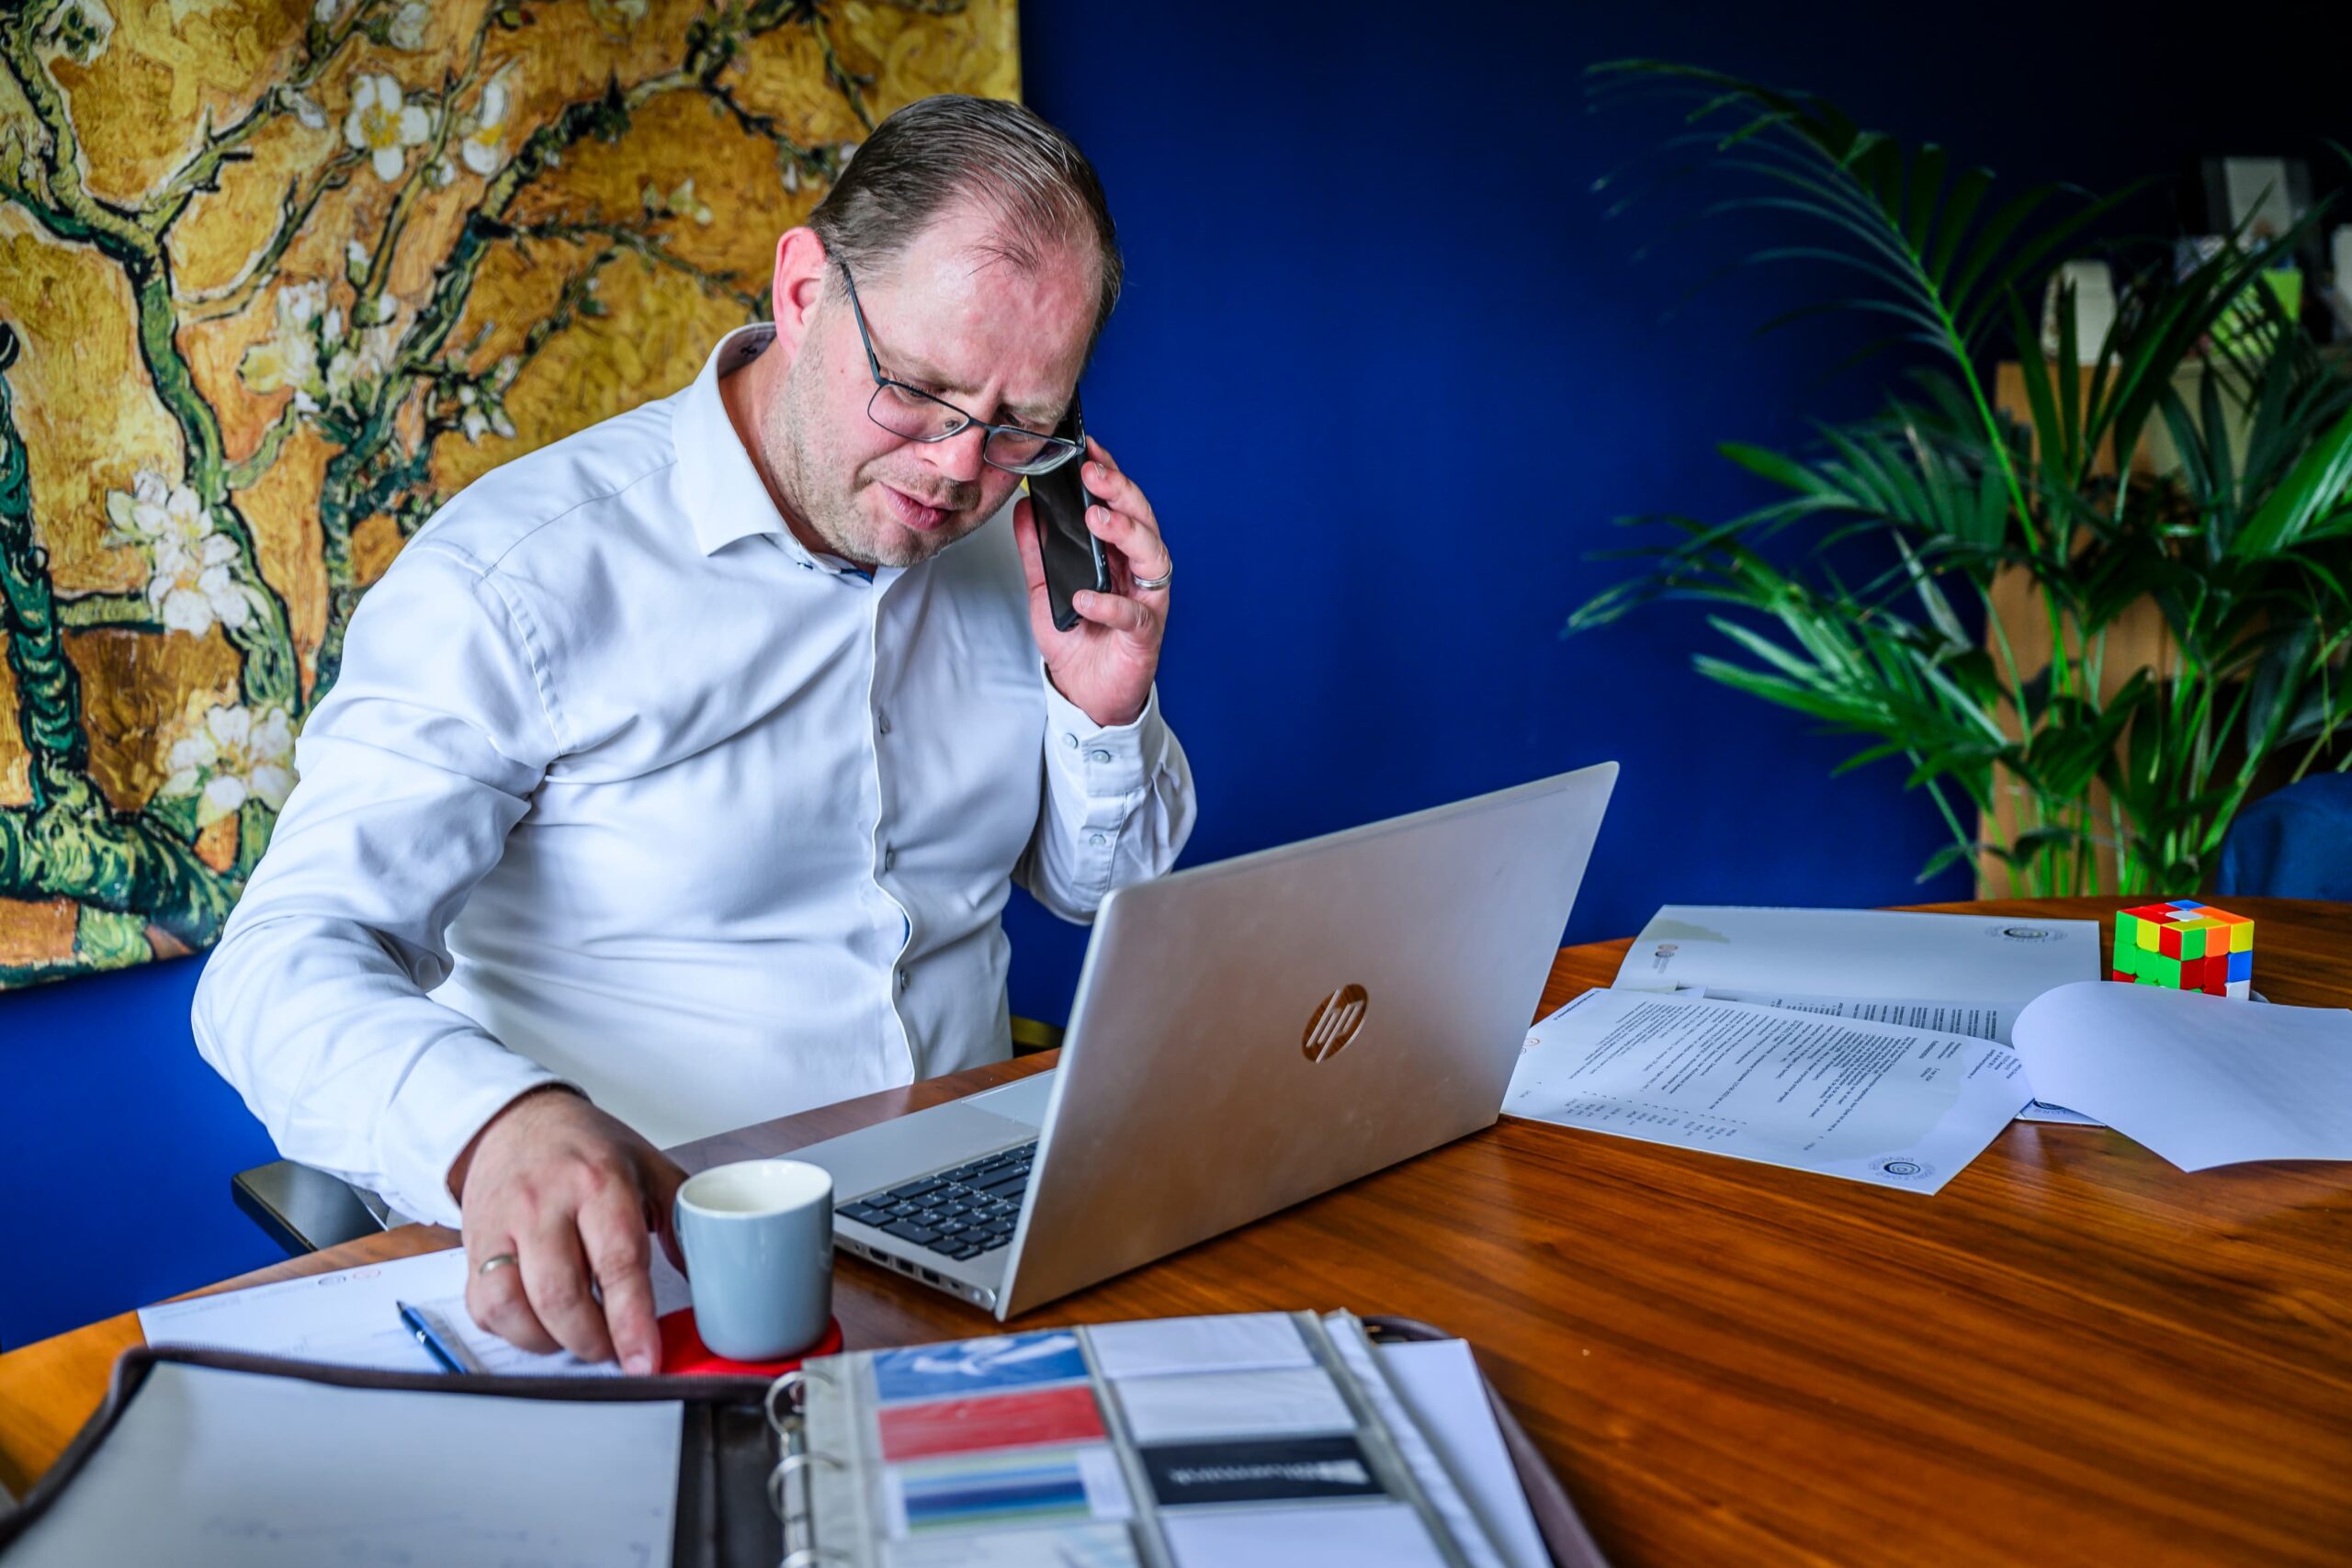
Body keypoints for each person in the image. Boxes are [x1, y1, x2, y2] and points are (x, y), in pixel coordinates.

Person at [194, 95, 1194, 1374]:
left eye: (1019, 422)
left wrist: (1105, 712)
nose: (958, 465)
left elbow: (1111, 899)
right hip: (647, 1284)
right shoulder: (518, 579)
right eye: (922, 390)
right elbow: (275, 966)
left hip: (985, 1237)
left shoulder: (1026, 547)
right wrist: (494, 1123)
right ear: (800, 291)